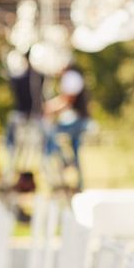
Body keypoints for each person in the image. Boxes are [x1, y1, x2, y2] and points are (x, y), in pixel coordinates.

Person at [44, 62, 90, 191]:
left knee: (50, 134)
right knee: (75, 151)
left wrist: (50, 108)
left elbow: (67, 101)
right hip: (79, 119)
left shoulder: (71, 77)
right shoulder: (72, 76)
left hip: (78, 120)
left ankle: (65, 160)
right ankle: (76, 180)